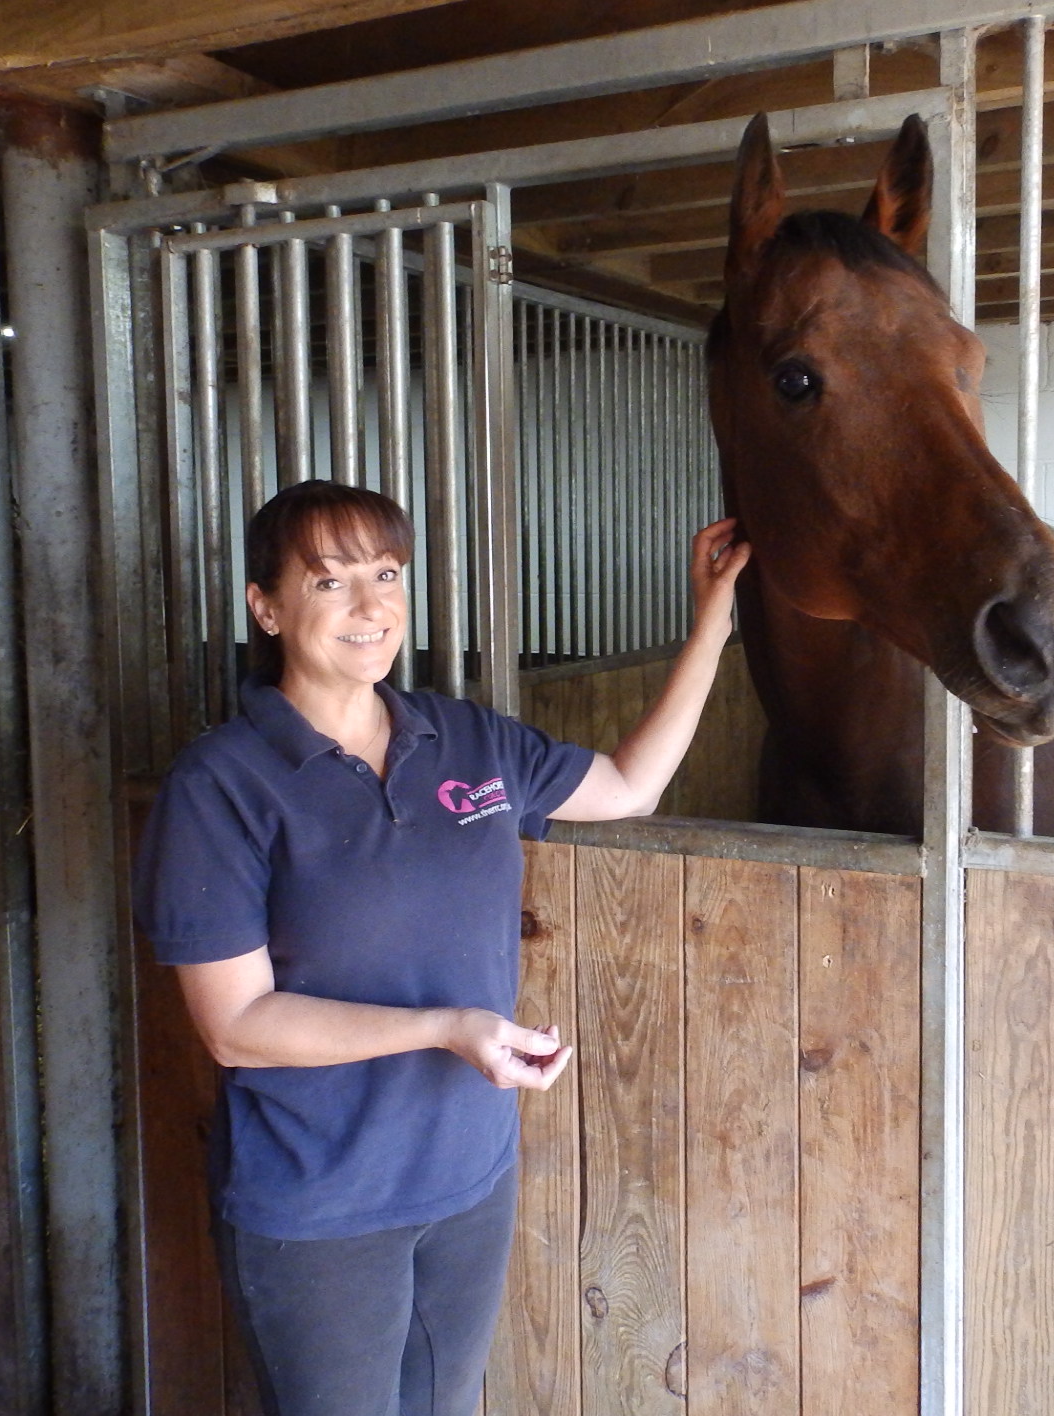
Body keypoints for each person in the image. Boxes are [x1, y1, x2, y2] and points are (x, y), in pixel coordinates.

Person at [132, 478, 750, 1416]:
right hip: (322, 1200)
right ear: (266, 606)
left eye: (387, 574)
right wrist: (445, 1028)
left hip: (469, 1177)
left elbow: (629, 784)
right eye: (331, 581)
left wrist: (711, 623)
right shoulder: (222, 785)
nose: (372, 607)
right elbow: (237, 1026)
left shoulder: (464, 739)